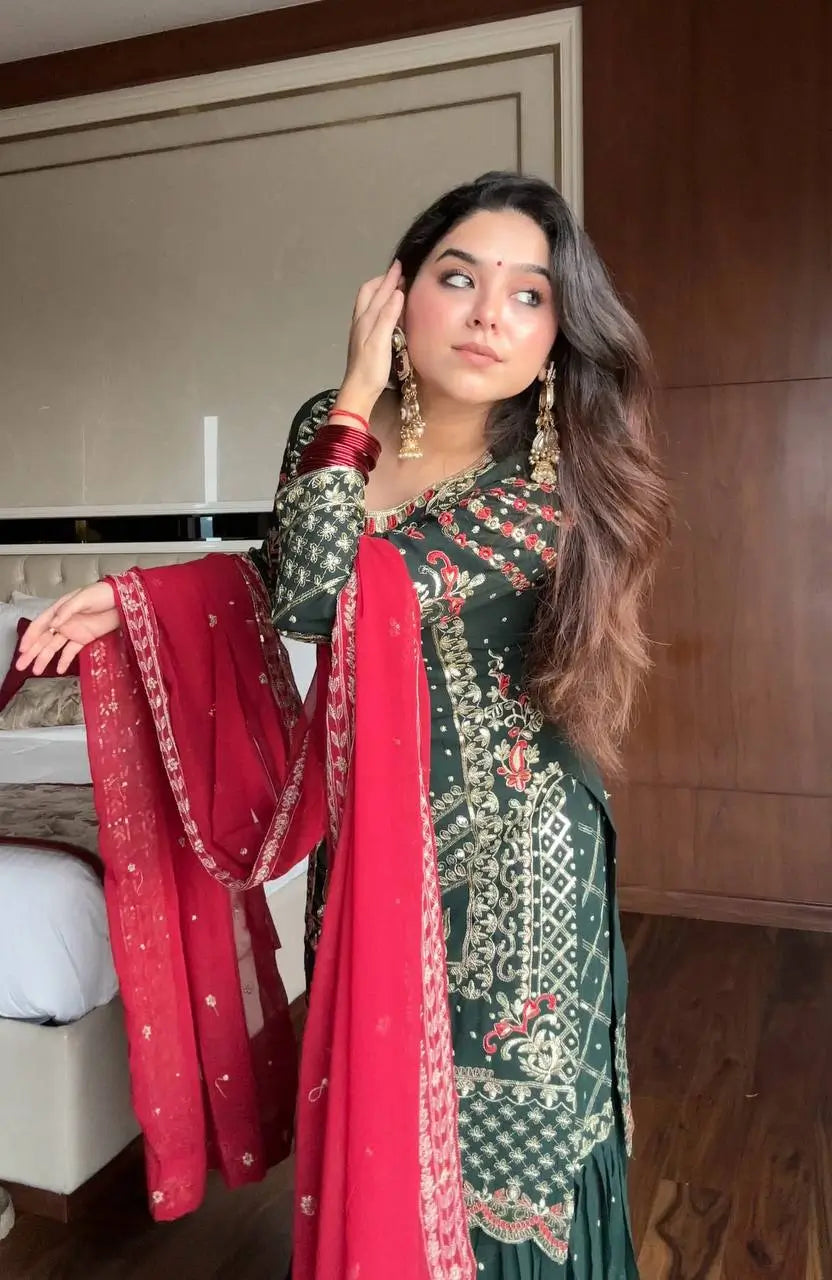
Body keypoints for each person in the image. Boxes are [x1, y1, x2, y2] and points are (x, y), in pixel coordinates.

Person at [19, 172, 668, 1278]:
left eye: (529, 295)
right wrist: (141, 600)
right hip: (369, 832)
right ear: (397, 292)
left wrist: (359, 391)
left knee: (502, 1151)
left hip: (517, 866)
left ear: (558, 333)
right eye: (459, 278)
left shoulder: (550, 479)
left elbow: (334, 594)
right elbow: (285, 573)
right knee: (376, 1111)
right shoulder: (329, 429)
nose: (488, 314)